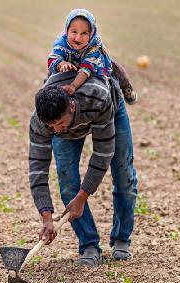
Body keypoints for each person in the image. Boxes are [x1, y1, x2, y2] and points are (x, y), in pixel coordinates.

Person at [29, 71, 138, 266]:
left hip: (108, 108)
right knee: (67, 184)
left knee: (124, 175)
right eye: (50, 126)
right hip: (76, 119)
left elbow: (103, 153)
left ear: (71, 106)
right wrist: (46, 215)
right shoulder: (41, 121)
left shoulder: (98, 97)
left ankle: (121, 240)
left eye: (60, 123)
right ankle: (88, 245)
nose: (56, 130)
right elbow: (37, 167)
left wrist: (83, 196)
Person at [48, 9, 137, 104]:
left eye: (84, 33)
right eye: (74, 31)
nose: (78, 38)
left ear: (91, 34)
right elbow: (53, 58)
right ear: (67, 30)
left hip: (95, 64)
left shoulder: (94, 48)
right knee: (50, 75)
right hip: (71, 63)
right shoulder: (62, 44)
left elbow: (86, 69)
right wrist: (61, 64)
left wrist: (73, 86)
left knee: (117, 70)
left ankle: (127, 88)